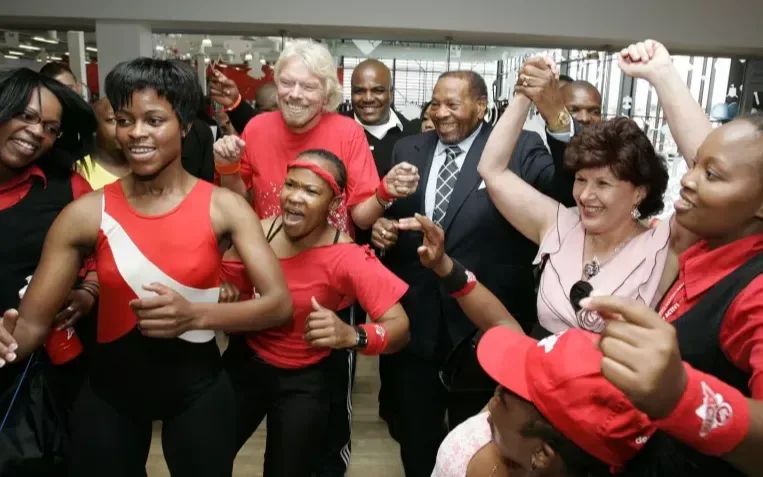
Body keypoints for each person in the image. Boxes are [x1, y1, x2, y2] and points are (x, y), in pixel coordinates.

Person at [0, 57, 292, 477]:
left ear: (185, 125)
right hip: (108, 396)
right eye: (124, 119)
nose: (136, 133)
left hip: (199, 393)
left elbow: (279, 304)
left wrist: (196, 314)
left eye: (154, 119)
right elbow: (29, 327)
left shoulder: (223, 207)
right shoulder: (85, 212)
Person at [564, 39, 763, 477]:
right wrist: (663, 74)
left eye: (708, 174)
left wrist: (681, 395)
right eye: (693, 166)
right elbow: (728, 160)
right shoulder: (712, 244)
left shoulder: (755, 293)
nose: (687, 181)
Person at [371, 66, 575, 477]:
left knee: (484, 444)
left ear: (482, 106)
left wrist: (561, 124)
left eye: (452, 103)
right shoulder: (407, 148)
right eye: (435, 102)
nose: (440, 112)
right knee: (416, 441)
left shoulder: (518, 147)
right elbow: (392, 215)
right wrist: (381, 227)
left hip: (486, 324)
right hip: (417, 323)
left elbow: (564, 194)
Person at [219, 149, 410, 477]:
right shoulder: (257, 232)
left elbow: (400, 328)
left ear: (334, 205)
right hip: (244, 366)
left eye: (310, 191)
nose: (294, 197)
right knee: (205, 456)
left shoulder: (348, 256)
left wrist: (353, 335)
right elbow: (225, 285)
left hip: (305, 382)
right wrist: (225, 294)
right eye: (291, 185)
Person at [478, 63, 672, 339]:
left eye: (603, 183)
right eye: (581, 180)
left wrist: (663, 75)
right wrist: (525, 93)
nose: (584, 195)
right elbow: (492, 170)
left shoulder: (662, 245)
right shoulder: (560, 223)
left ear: (639, 191)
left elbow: (722, 173)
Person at [0, 67, 97, 402]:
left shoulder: (68, 190)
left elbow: (106, 254)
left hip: (33, 376)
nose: (36, 132)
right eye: (26, 116)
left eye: (50, 128)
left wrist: (89, 289)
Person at [79, 97, 131, 189]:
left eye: (125, 120)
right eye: (112, 120)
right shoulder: (80, 171)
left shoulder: (145, 165)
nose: (121, 127)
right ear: (94, 126)